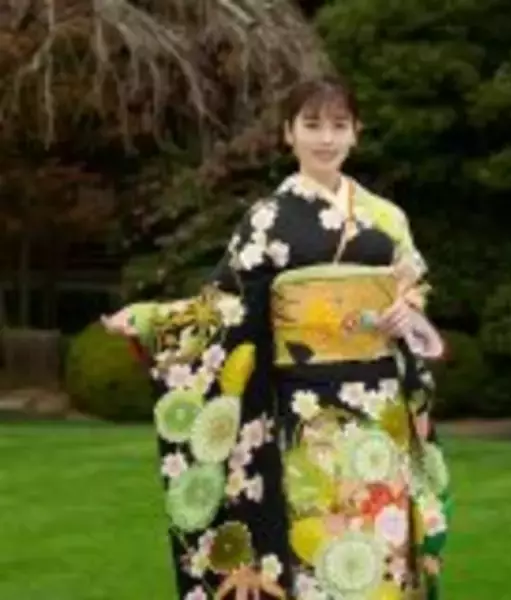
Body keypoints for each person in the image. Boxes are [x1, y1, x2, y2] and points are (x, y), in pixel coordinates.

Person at [103, 76, 451, 600]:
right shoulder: (266, 220)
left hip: (381, 411)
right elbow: (225, 307)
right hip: (307, 415)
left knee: (383, 547)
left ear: (356, 132)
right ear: (289, 133)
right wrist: (153, 319)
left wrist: (408, 313)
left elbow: (414, 293)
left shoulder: (387, 218)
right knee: (316, 549)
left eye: (338, 125)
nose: (326, 138)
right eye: (312, 125)